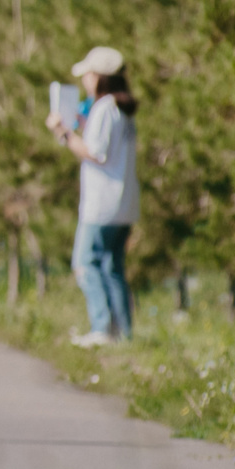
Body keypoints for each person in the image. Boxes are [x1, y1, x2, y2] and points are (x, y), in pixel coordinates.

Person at [51, 45, 138, 345]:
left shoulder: (104, 108)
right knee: (112, 268)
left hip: (102, 205)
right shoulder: (123, 110)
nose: (85, 80)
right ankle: (123, 333)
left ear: (99, 77)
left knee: (85, 263)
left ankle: (102, 328)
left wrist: (64, 134)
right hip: (124, 204)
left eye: (88, 74)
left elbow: (96, 153)